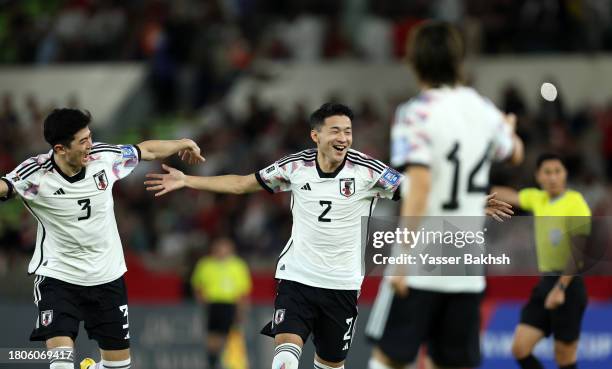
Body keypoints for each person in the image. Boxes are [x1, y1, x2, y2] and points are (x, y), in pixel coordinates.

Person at [145, 102, 512, 369]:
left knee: (330, 364)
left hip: (342, 284)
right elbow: (243, 184)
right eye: (336, 130)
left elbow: (420, 194)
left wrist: (472, 203)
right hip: (297, 276)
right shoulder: (294, 167)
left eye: (348, 131)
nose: (344, 137)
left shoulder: (369, 172)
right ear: (315, 135)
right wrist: (187, 179)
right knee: (285, 351)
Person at [365, 21, 524, 369]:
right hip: (465, 266)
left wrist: (403, 256)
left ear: (413, 61)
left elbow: (419, 185)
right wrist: (509, 134)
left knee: (388, 360)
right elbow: (514, 152)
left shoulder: (415, 113)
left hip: (422, 258)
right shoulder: (483, 109)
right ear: (459, 60)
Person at [0, 108, 204, 369]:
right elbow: (5, 187)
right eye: (83, 141)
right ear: (61, 149)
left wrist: (181, 143)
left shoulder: (104, 158)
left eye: (90, 137)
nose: (90, 146)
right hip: (59, 278)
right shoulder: (36, 175)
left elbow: (145, 151)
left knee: (118, 366)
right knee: (61, 363)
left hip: (107, 277)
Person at [492, 153, 591, 369]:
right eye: (548, 172)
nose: (553, 177)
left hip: (569, 283)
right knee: (520, 348)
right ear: (538, 176)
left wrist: (561, 288)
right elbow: (512, 196)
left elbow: (578, 252)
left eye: (558, 171)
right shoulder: (538, 198)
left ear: (565, 174)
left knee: (564, 357)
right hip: (546, 282)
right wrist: (477, 189)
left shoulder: (575, 203)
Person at [191, 237, 252, 369]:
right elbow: (197, 285)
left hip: (231, 305)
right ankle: (213, 363)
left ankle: (234, 365)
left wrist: (242, 309)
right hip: (213, 305)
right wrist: (201, 300)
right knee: (213, 338)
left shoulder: (238, 265)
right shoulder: (205, 264)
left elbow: (243, 291)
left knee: (233, 337)